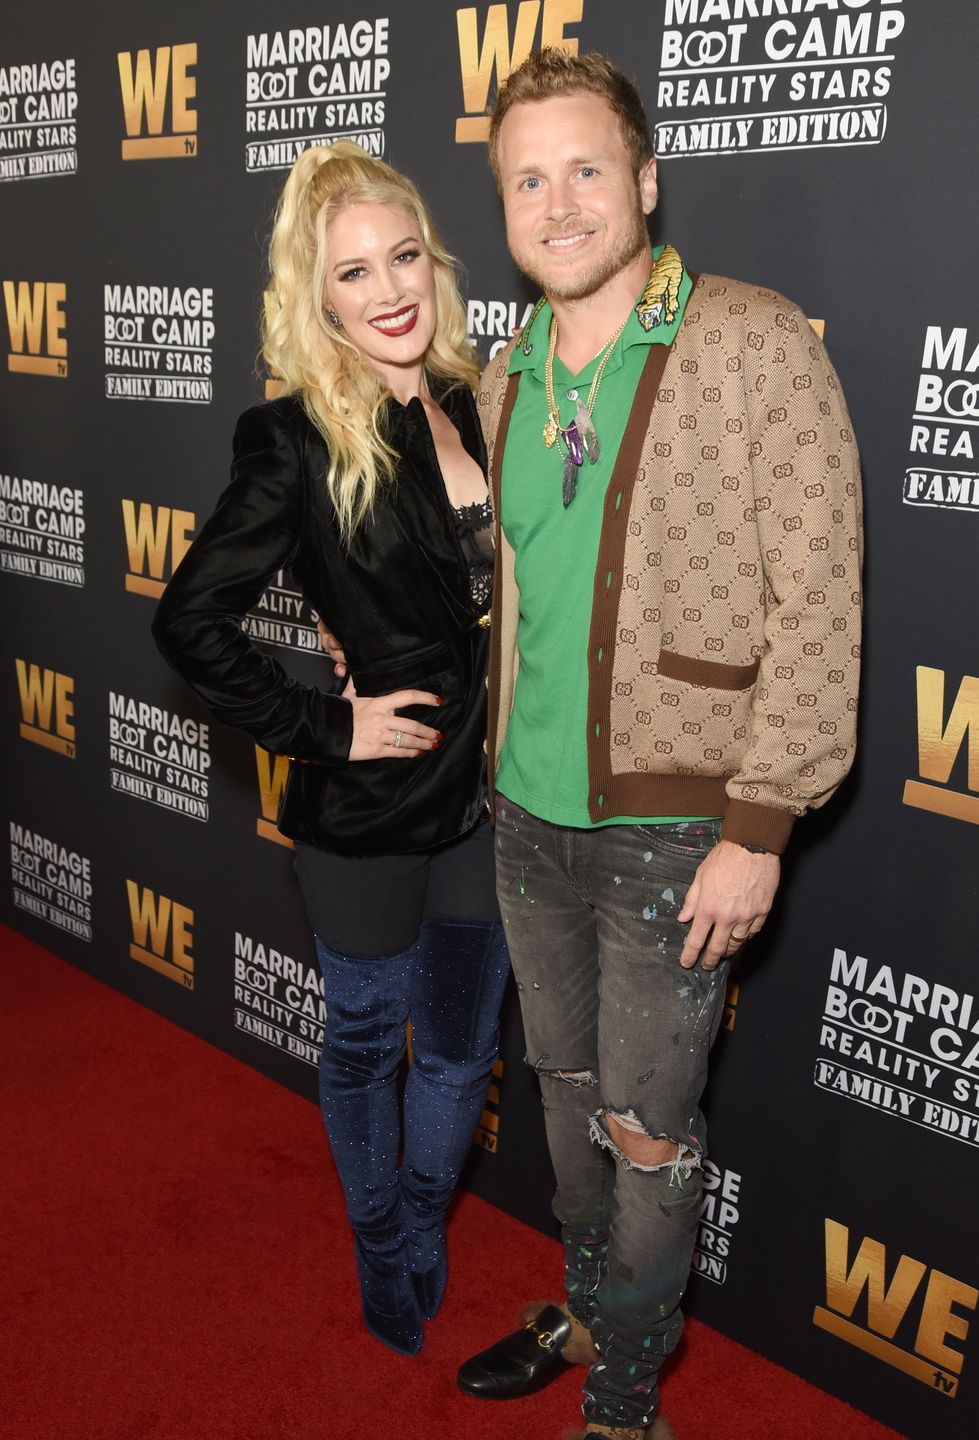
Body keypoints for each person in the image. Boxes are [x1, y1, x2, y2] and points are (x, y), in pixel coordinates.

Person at [453, 48, 863, 1440]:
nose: (556, 203)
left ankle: (628, 1402)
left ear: (644, 179)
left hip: (677, 834)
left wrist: (759, 829)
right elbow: (511, 589)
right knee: (566, 1112)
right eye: (526, 178)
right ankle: (589, 1308)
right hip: (526, 818)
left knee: (646, 1131)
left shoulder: (754, 344)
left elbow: (818, 599)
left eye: (583, 168)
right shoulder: (502, 374)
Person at [152, 140, 510, 1359]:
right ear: (317, 298)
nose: (390, 290)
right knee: (366, 1042)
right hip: (367, 817)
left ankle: (422, 1213)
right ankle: (376, 1233)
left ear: (434, 261)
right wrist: (327, 723)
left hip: (493, 801)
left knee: (460, 1051)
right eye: (353, 273)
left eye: (404, 256)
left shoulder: (476, 396)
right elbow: (189, 620)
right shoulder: (294, 437)